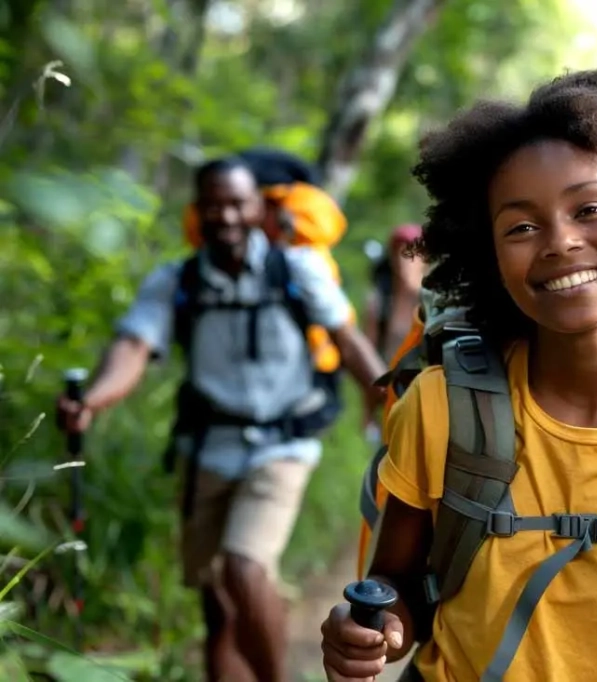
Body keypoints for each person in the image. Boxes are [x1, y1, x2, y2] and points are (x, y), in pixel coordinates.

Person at [321, 66, 597, 682]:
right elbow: (399, 583)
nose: (560, 242)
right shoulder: (441, 406)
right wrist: (375, 629)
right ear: (493, 259)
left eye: (588, 208)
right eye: (522, 227)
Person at [56, 157, 388, 682]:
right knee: (216, 603)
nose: (225, 216)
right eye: (213, 205)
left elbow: (348, 342)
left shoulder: (295, 269)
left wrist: (393, 403)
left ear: (258, 209)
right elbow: (133, 347)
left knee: (244, 566)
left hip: (282, 445)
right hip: (206, 449)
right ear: (197, 213)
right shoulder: (177, 281)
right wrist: (93, 400)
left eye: (236, 203)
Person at [362, 224, 426, 432]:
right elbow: (366, 358)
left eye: (410, 253)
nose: (403, 261)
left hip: (426, 404)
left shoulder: (438, 305)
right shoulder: (379, 303)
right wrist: (368, 413)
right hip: (389, 403)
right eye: (397, 253)